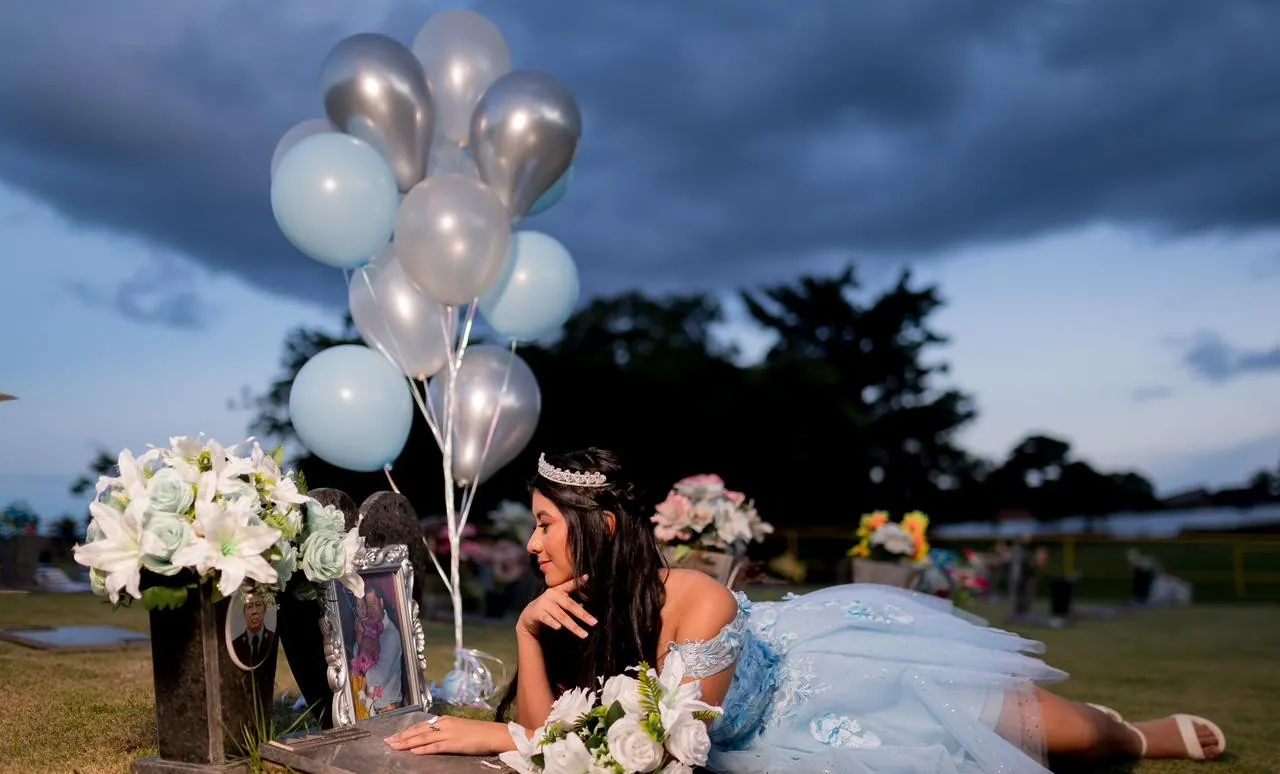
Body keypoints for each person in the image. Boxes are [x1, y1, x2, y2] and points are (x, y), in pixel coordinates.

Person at [385, 448, 1226, 771]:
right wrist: (531, 638)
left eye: (542, 525)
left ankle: (1133, 730)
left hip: (831, 684)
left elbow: (665, 754)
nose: (531, 545)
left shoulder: (699, 600)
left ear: (600, 527)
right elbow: (550, 727)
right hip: (755, 752)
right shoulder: (562, 609)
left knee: (1078, 739)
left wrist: (504, 737)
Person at [352, 585, 404, 715]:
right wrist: (360, 635)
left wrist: (357, 672)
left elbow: (379, 676)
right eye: (366, 606)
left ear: (381, 603)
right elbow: (355, 654)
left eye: (373, 604)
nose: (370, 610)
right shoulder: (368, 629)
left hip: (387, 711)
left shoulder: (390, 634)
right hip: (371, 710)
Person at [232, 594, 275, 669]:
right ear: (244, 612)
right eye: (249, 606)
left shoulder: (274, 639)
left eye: (258, 605)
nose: (254, 611)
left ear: (264, 610)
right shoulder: (235, 645)